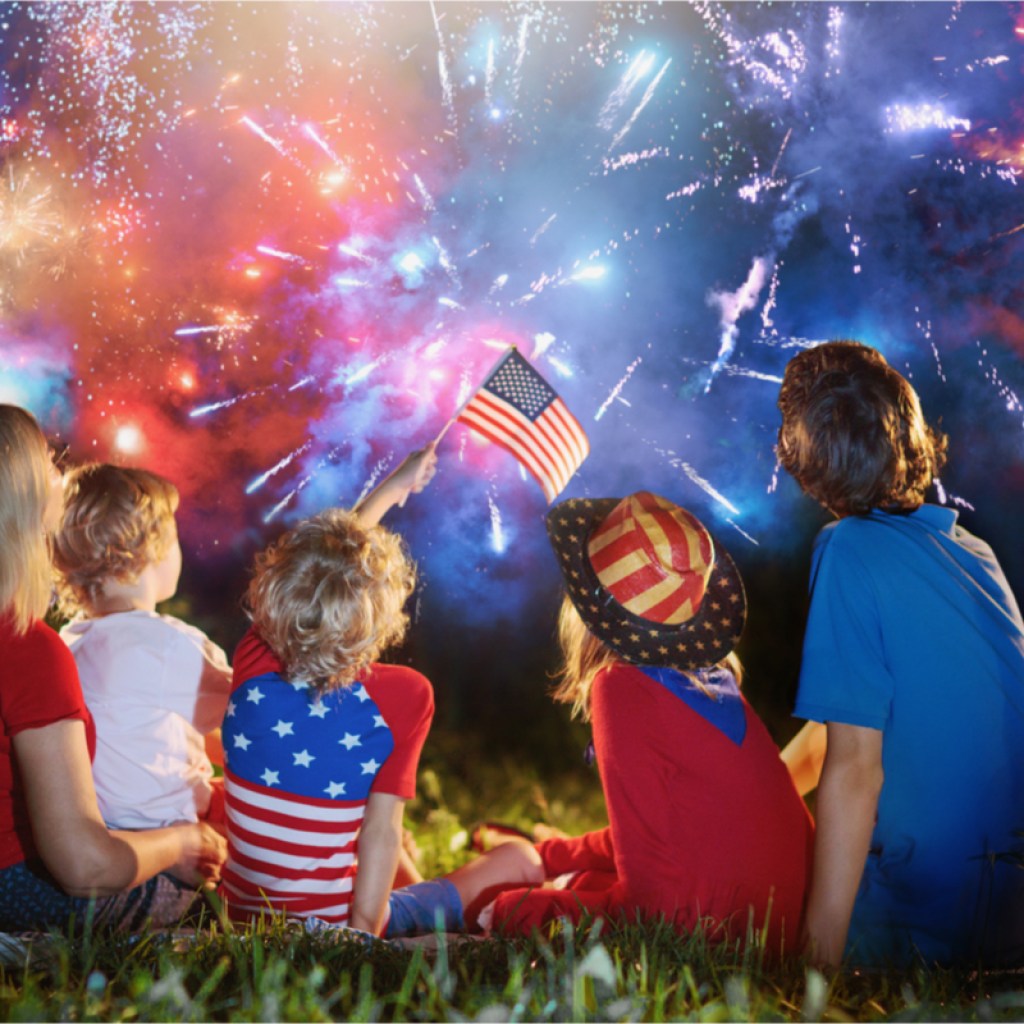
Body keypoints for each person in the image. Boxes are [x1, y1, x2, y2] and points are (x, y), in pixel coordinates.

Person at [389, 490, 814, 955]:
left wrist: (523, 912)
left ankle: (395, 916)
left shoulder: (622, 687)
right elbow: (670, 837)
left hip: (697, 935)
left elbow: (651, 905)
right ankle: (410, 908)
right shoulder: (716, 683)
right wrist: (553, 855)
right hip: (772, 932)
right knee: (541, 863)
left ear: (588, 607)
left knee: (514, 889)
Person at [777, 340, 1024, 969]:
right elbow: (849, 725)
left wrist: (816, 966)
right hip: (1010, 909)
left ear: (806, 456)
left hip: (934, 919)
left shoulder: (847, 549)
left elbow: (855, 768)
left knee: (756, 889)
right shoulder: (975, 553)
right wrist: (764, 790)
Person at [0, 405, 225, 932]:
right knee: (209, 878)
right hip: (17, 890)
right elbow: (85, 867)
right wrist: (181, 844)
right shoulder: (28, 648)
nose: (61, 473)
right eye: (48, 464)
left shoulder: (65, 641)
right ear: (24, 499)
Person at [220, 446, 438, 936]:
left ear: (275, 591)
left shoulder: (253, 660)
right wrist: (361, 937)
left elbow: (324, 569)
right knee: (476, 877)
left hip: (237, 917)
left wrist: (392, 487)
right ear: (382, 614)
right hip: (335, 925)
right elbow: (381, 833)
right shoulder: (406, 697)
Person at [52, 465, 231, 832]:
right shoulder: (165, 644)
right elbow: (245, 712)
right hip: (170, 833)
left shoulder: (68, 643)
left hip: (106, 831)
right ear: (152, 547)